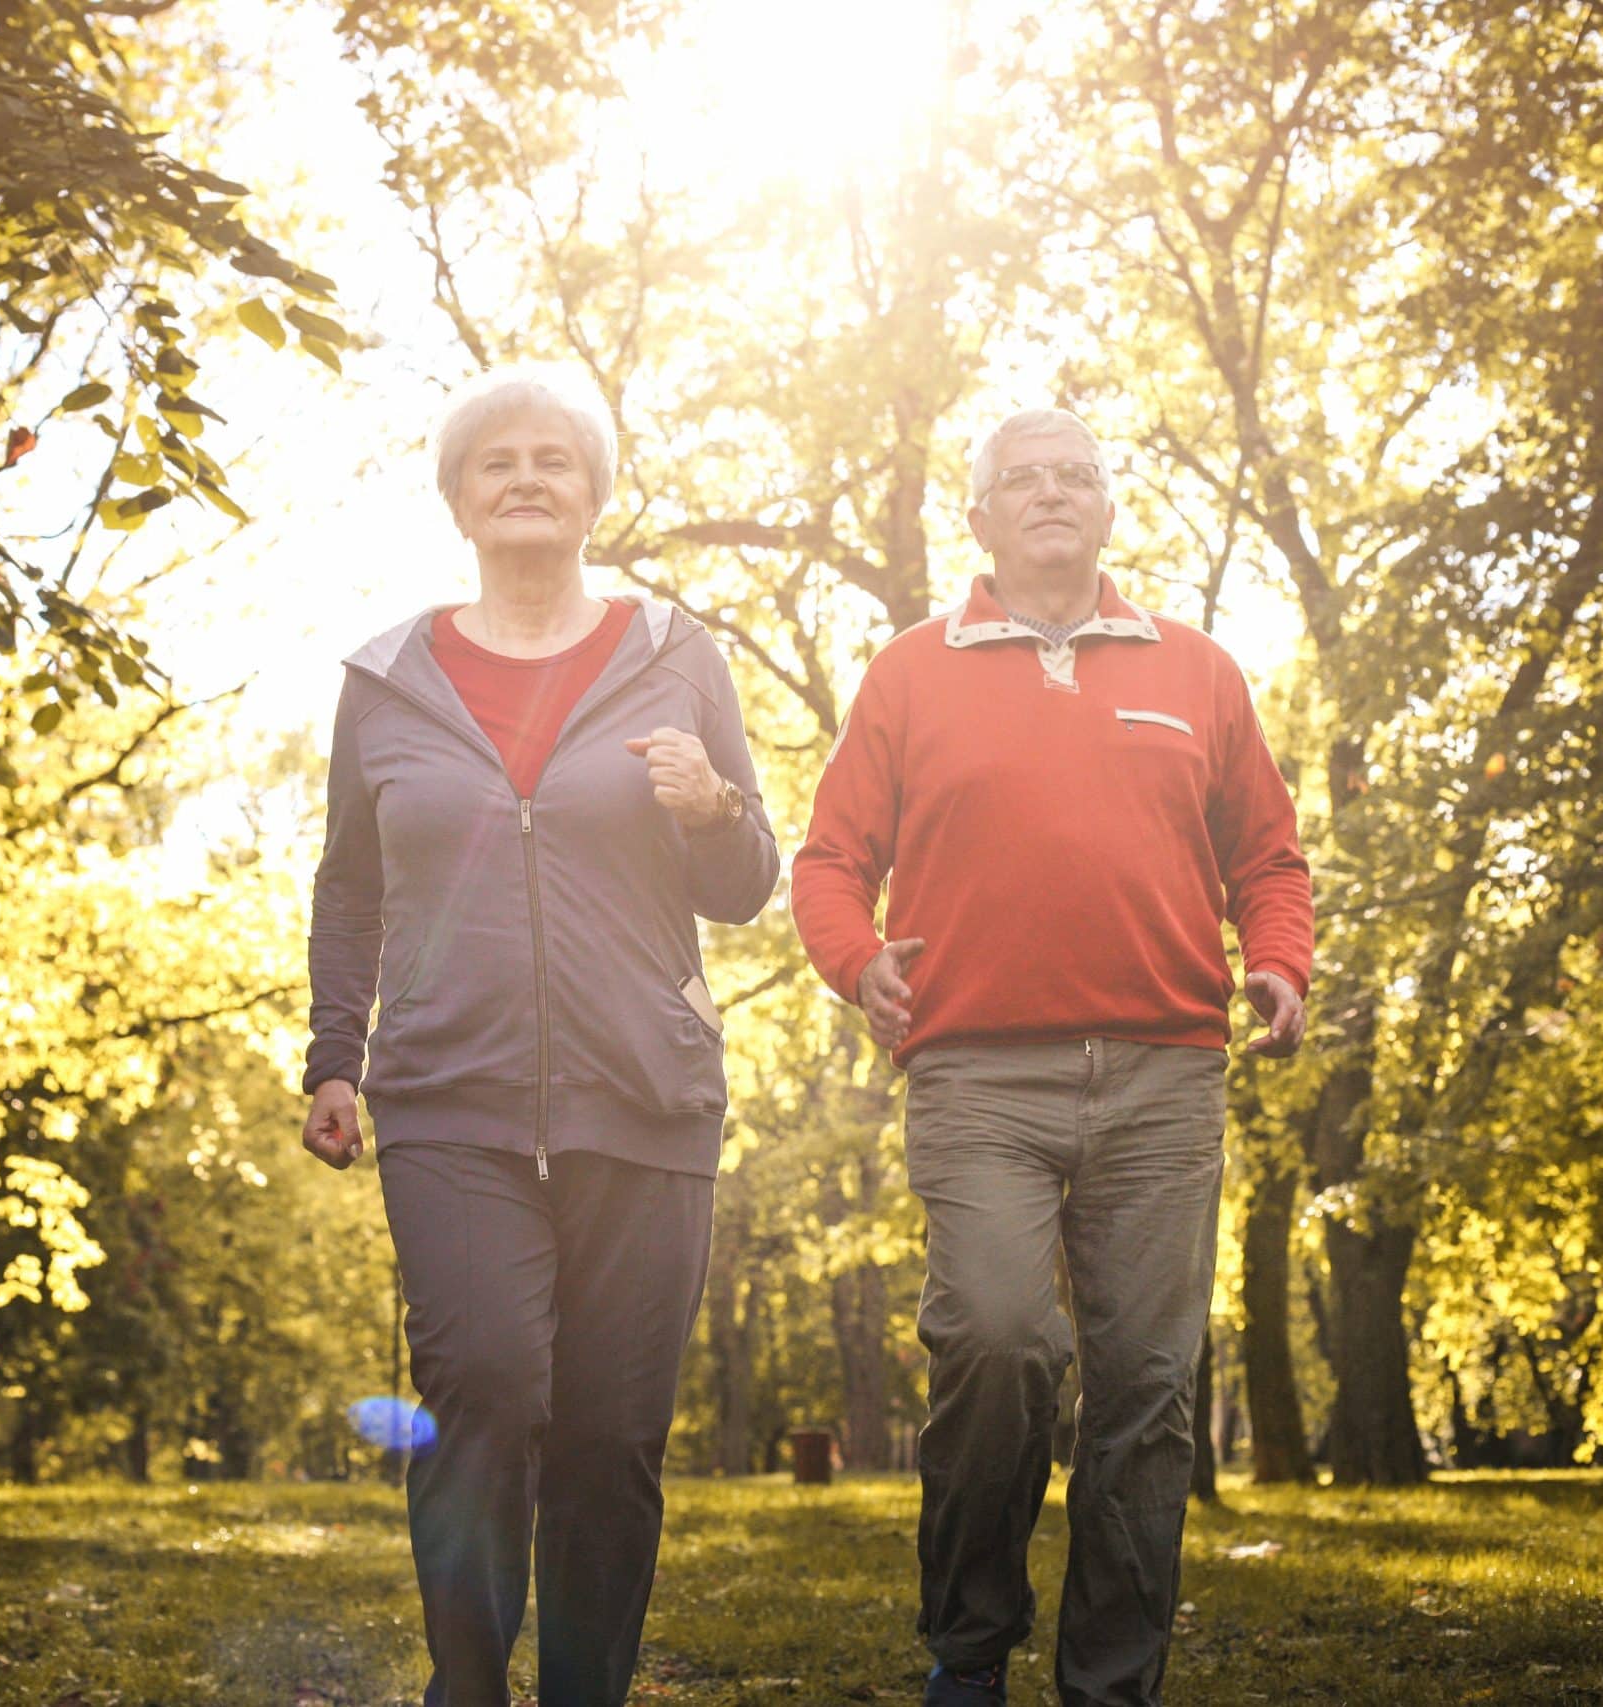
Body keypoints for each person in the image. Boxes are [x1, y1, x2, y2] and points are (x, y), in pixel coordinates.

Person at [790, 408, 1314, 1707]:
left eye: (1075, 474)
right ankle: (969, 1648)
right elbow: (828, 861)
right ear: (978, 518)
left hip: (1164, 1075)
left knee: (1146, 1387)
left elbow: (1269, 856)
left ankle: (1110, 1684)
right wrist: (859, 960)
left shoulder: (1197, 670)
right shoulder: (911, 671)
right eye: (1021, 478)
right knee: (1002, 1340)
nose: (1051, 493)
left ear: (1109, 507)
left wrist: (1279, 961)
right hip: (979, 1075)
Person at [301, 362, 779, 1707]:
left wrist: (709, 811)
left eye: (551, 458)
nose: (524, 474)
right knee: (488, 1380)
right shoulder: (387, 677)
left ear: (592, 492)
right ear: (458, 495)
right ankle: (469, 1682)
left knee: (614, 1432)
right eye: (495, 458)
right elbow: (349, 882)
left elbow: (746, 884)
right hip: (449, 1088)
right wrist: (335, 1054)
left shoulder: (676, 653)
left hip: (646, 1088)